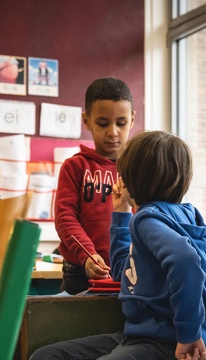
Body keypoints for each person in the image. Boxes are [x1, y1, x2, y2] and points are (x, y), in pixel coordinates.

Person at [25, 131, 206, 360]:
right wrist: (119, 214)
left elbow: (186, 261)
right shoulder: (175, 216)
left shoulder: (148, 219)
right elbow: (122, 271)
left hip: (163, 345)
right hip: (139, 338)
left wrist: (188, 334)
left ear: (131, 179)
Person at [54, 77, 135, 294]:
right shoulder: (75, 167)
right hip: (80, 271)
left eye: (121, 122)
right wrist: (87, 254)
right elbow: (65, 218)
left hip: (132, 270)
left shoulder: (139, 170)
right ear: (86, 120)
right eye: (102, 123)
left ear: (132, 119)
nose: (113, 132)